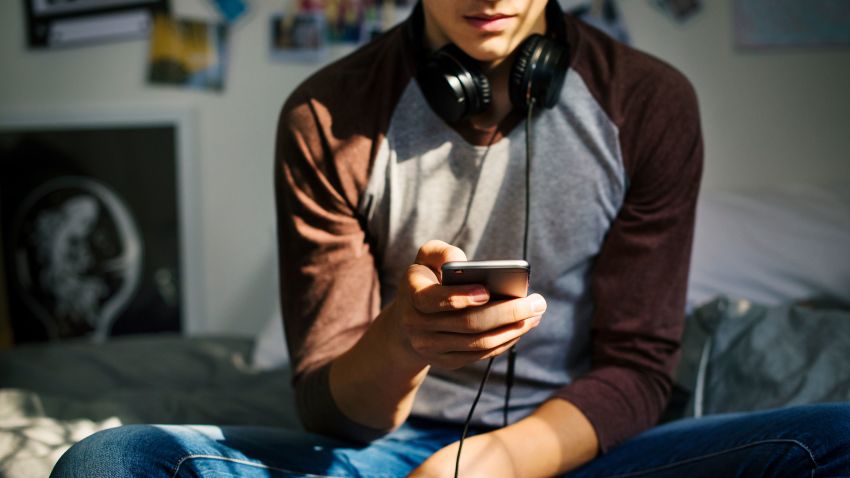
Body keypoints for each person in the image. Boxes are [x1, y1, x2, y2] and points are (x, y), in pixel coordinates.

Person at [51, 0, 850, 476]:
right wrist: (403, 338)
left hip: (580, 447)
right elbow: (330, 415)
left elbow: (640, 372)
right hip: (389, 453)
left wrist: (499, 461)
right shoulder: (326, 118)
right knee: (109, 464)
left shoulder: (649, 104)